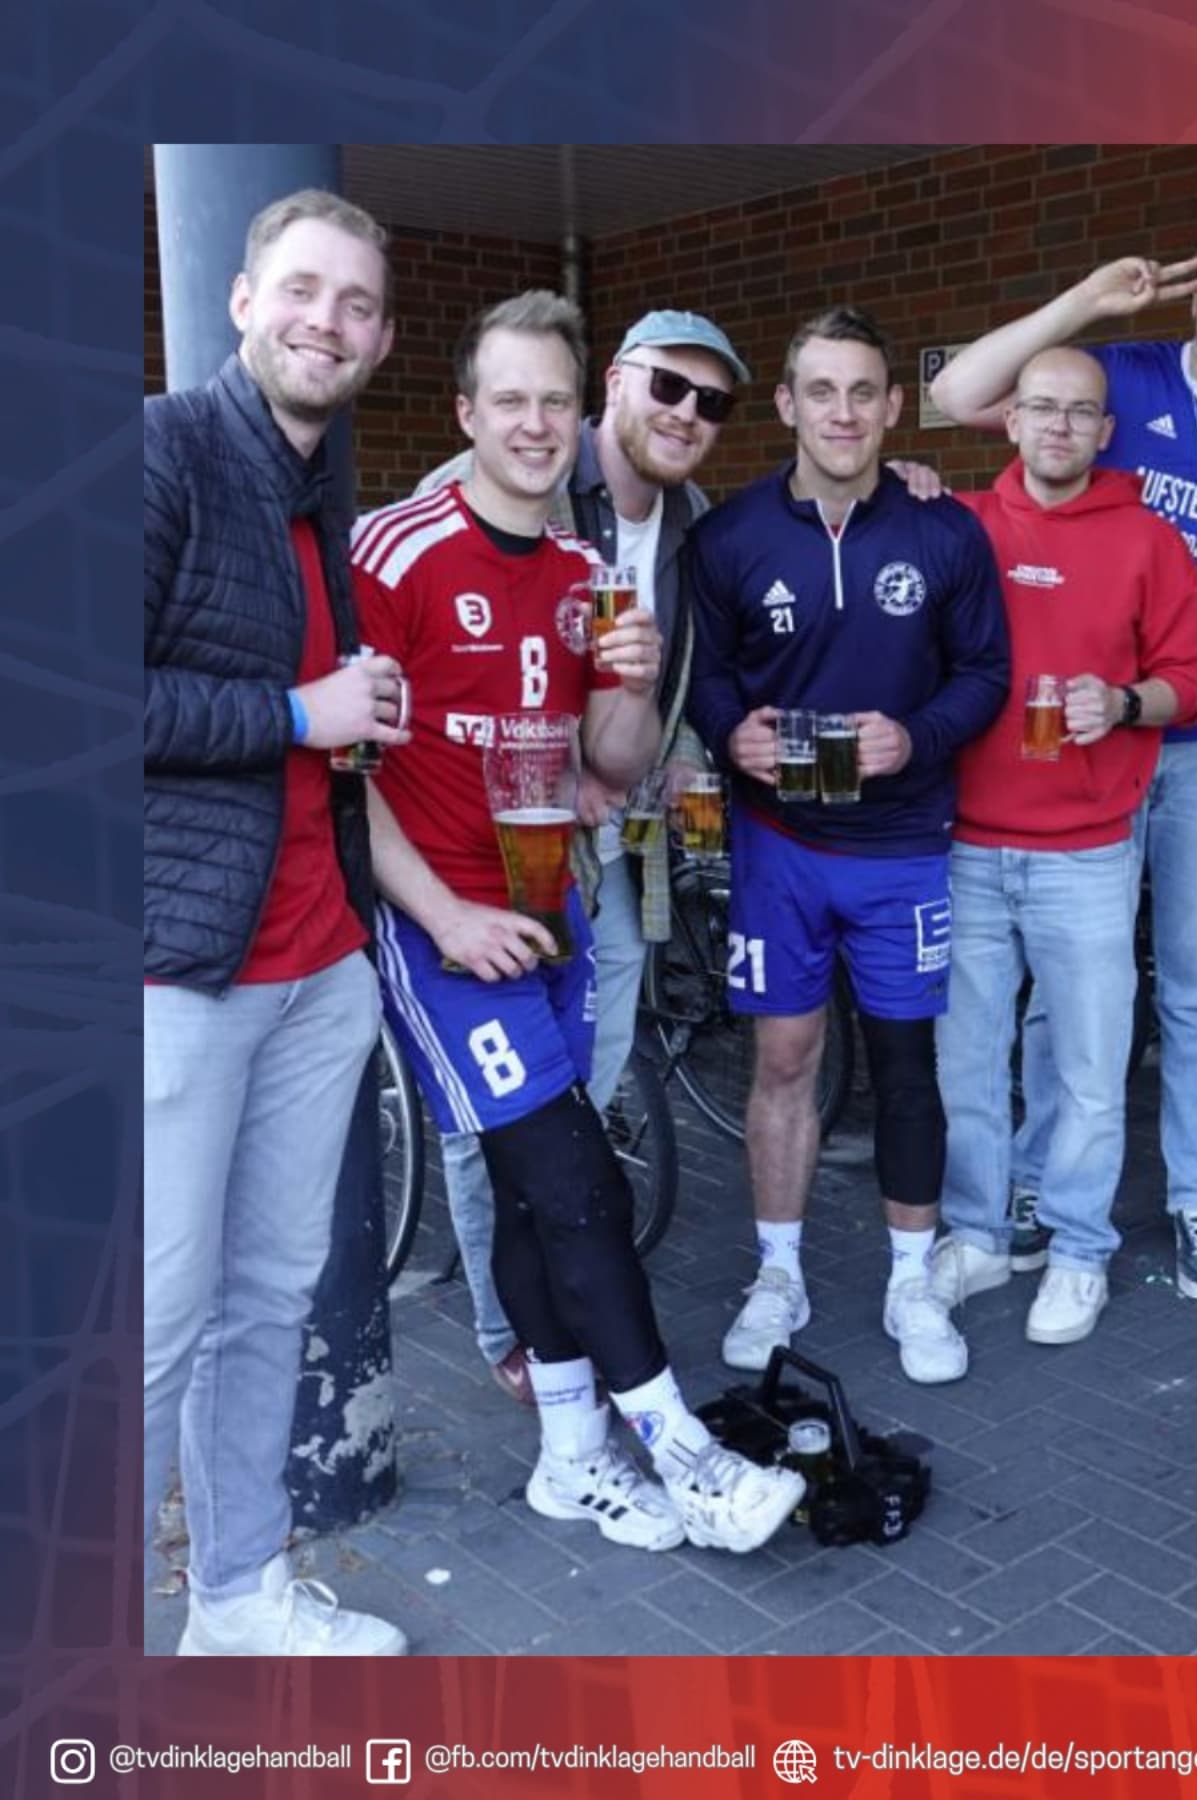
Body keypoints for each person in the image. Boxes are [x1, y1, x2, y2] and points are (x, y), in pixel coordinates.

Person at [352, 290, 804, 1553]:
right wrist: (444, 917)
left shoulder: (582, 575)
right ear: (465, 412)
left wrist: (634, 677)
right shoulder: (392, 549)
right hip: (445, 929)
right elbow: (345, 775)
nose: (536, 423)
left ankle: (569, 1460)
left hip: (551, 908)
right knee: (578, 1177)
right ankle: (678, 1447)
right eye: (511, 399)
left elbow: (608, 757)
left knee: (534, 1191)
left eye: (553, 400)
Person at [930, 219, 1197, 1303]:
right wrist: (1088, 302)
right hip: (1083, 744)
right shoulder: (1124, 377)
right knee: (1064, 982)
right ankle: (1042, 1189)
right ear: (1191, 295)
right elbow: (958, 395)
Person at [144, 190, 409, 1654]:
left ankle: (235, 1598)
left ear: (380, 339)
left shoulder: (319, 500)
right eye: (303, 290)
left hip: (318, 963)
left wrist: (346, 721)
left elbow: (301, 715)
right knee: (148, 1329)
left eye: (357, 304)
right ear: (243, 301)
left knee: (265, 1304)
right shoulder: (163, 449)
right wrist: (295, 714)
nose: (328, 321)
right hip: (181, 972)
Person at [413, 310, 749, 1404]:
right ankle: (510, 1331)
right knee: (502, 1114)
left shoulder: (694, 523)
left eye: (711, 401)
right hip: (487, 863)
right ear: (615, 383)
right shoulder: (508, 484)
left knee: (576, 1103)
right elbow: (435, 674)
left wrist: (668, 760)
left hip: (606, 855)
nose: (687, 414)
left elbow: (663, 687)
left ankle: (562, 1289)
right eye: (668, 387)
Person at [687, 306, 1010, 1384]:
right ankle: (778, 1274)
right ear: (786, 404)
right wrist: (727, 733)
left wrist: (913, 737)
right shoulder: (728, 538)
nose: (842, 412)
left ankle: (912, 1280)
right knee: (783, 1060)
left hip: (903, 845)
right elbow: (708, 675)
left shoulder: (943, 531)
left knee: (906, 1067)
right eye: (820, 390)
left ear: (892, 406)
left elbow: (986, 675)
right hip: (778, 843)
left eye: (862, 391)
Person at [930, 348, 1197, 1345]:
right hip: (967, 846)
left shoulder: (1148, 539)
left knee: (1091, 1071)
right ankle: (979, 1233)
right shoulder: (959, 525)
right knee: (968, 1062)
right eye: (1042, 407)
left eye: (1080, 412)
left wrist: (1127, 702)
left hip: (1089, 851)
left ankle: (1079, 1247)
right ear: (1010, 421)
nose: (1059, 426)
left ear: (1106, 431)